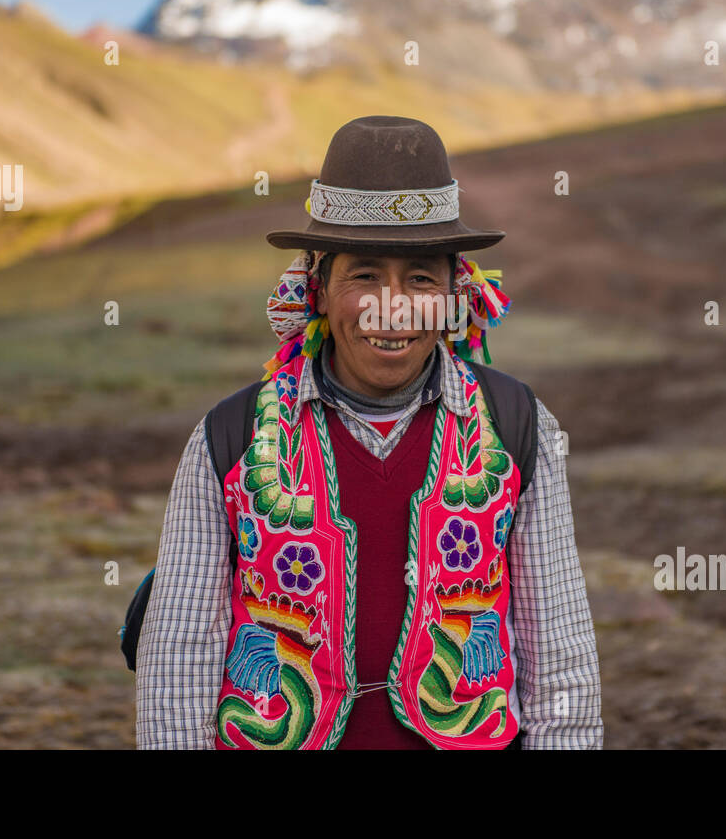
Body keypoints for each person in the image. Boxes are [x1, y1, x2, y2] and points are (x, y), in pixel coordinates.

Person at [135, 115, 603, 749]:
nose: (393, 305)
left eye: (420, 278)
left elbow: (560, 655)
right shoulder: (230, 440)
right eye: (364, 274)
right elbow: (178, 665)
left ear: (455, 294)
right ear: (319, 288)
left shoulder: (517, 427)